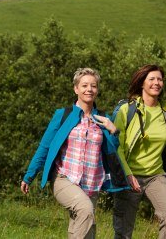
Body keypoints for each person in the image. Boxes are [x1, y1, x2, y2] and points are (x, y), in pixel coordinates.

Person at [21, 68, 129, 239]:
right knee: (85, 210)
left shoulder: (103, 118)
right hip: (64, 178)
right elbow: (45, 146)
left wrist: (113, 131)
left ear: (97, 90)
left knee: (86, 229)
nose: (89, 89)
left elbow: (113, 150)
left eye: (93, 86)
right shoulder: (63, 115)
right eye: (84, 85)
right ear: (76, 89)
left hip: (92, 183)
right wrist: (29, 176)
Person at [112, 64, 166, 239]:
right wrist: (127, 174)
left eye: (160, 79)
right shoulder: (127, 110)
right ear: (142, 83)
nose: (156, 83)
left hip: (156, 175)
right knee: (124, 231)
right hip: (128, 176)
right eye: (151, 79)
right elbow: (117, 146)